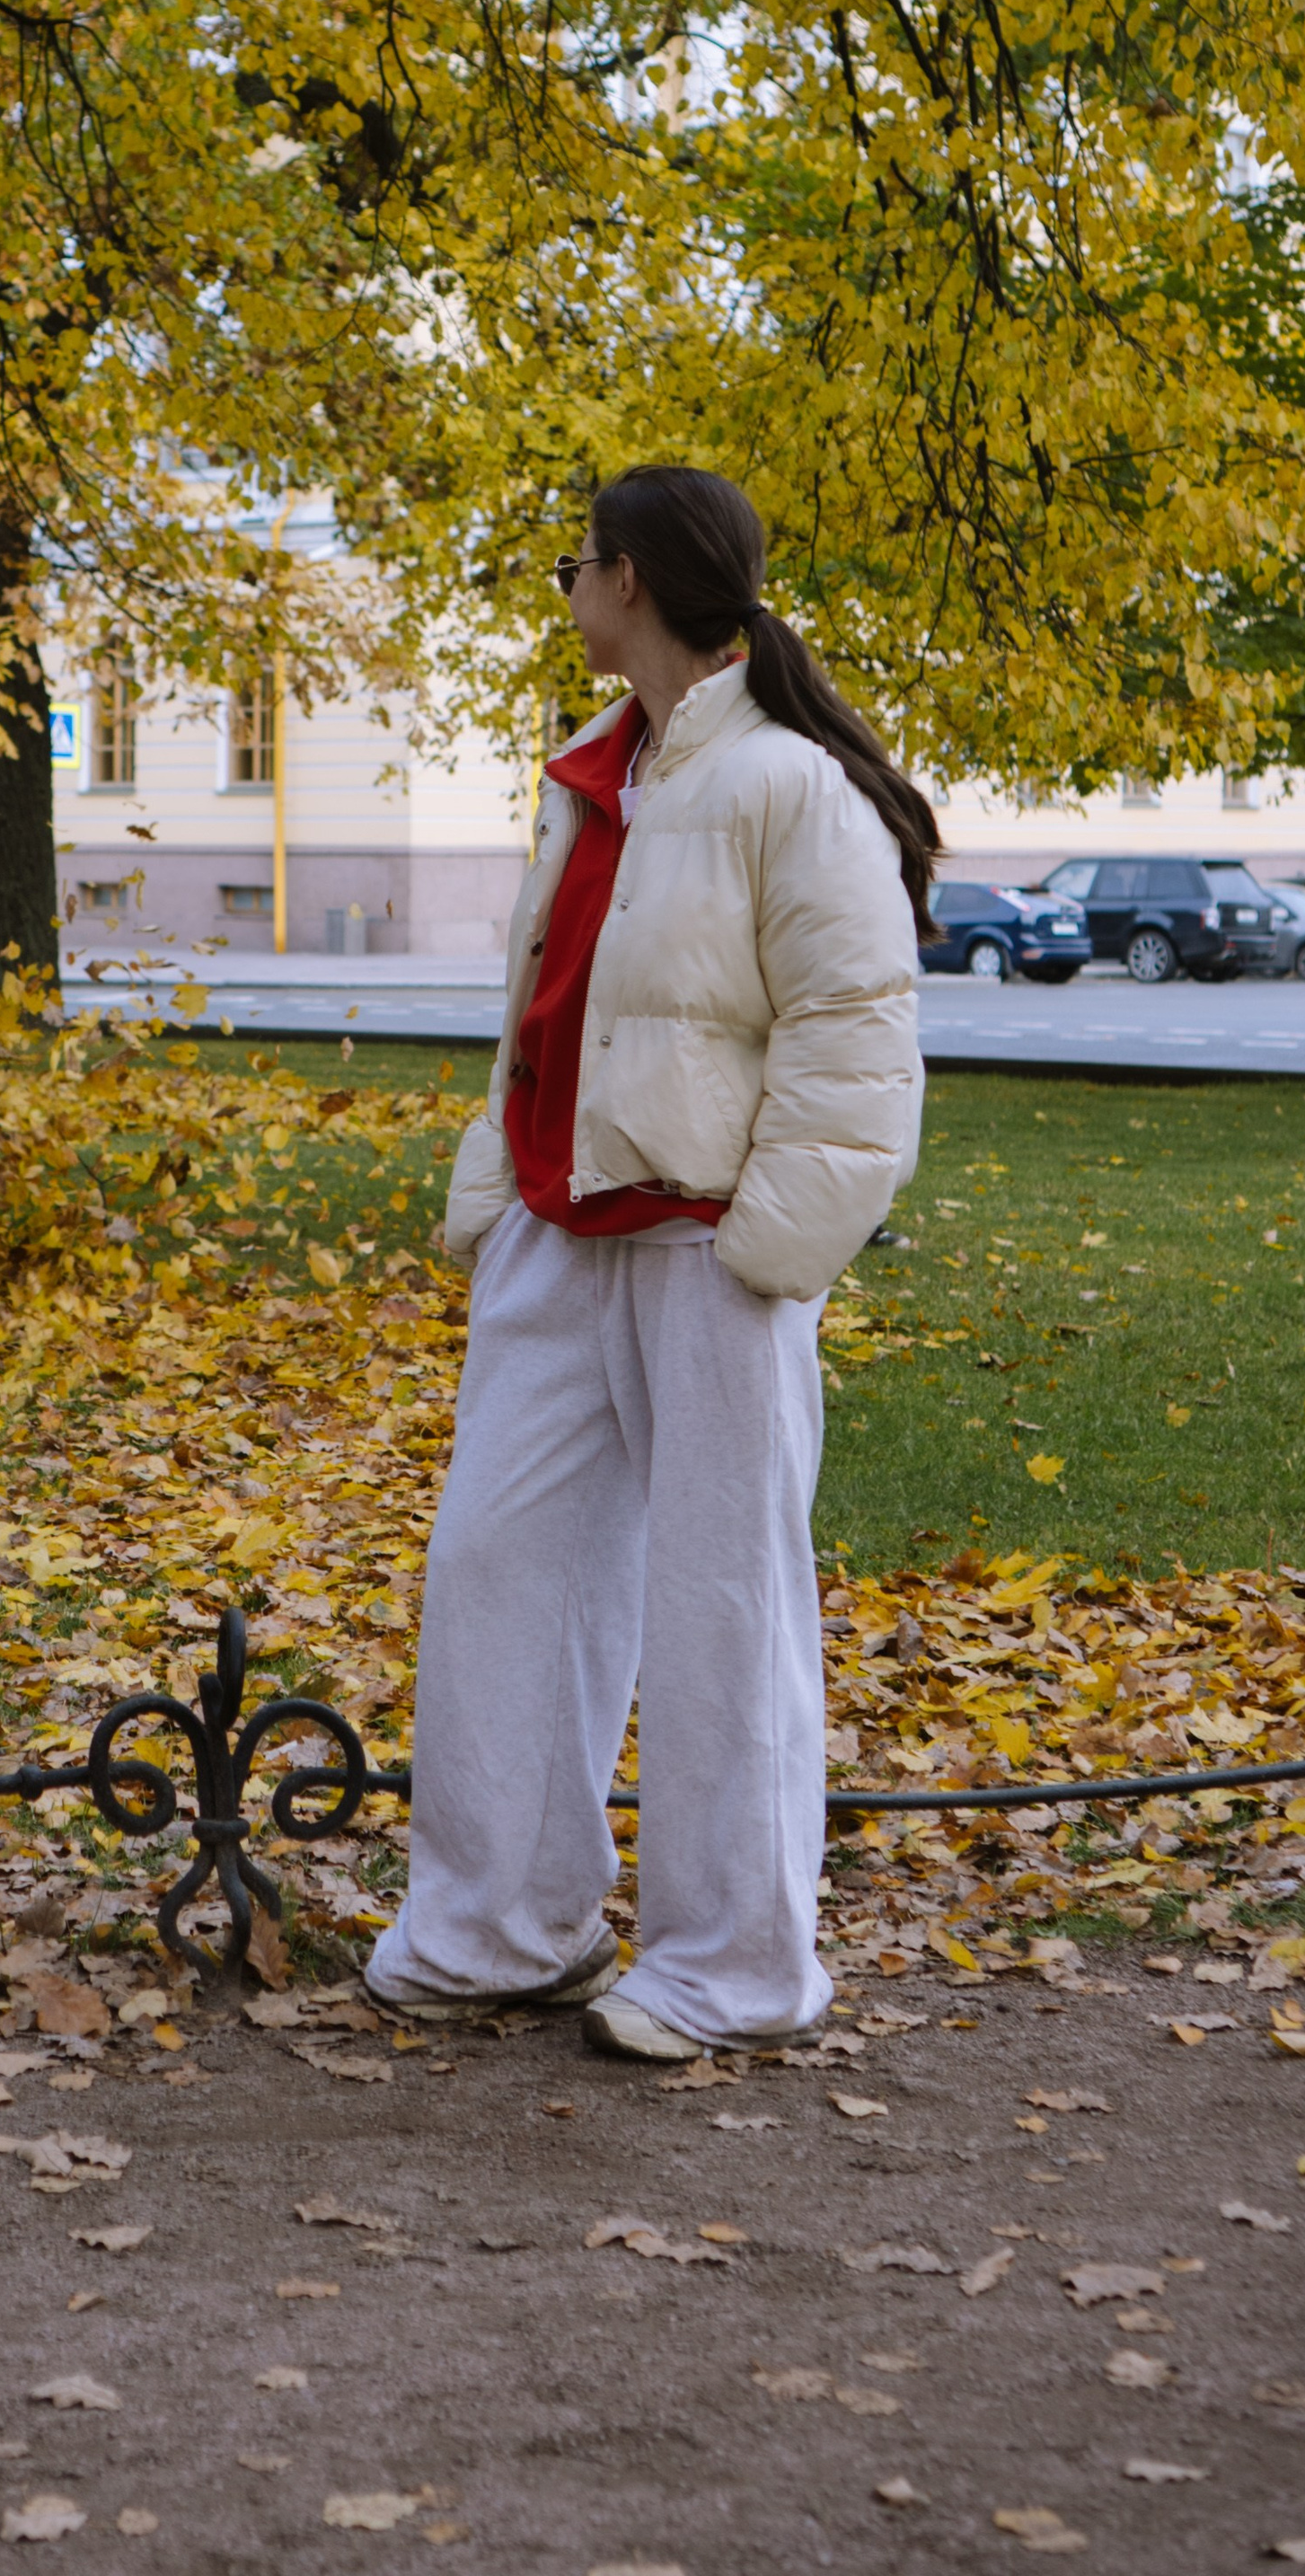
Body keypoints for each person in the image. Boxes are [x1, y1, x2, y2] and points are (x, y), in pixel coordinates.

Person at [366, 464, 936, 2055]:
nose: (566, 583)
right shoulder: (594, 770)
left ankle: (731, 1966)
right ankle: (500, 1926)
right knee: (497, 1567)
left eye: (576, 560)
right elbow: (547, 1020)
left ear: (627, 580)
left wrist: (771, 1251)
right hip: (558, 1232)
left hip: (705, 1251)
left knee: (721, 1600)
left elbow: (854, 1036)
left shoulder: (788, 786)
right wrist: (501, 1194)